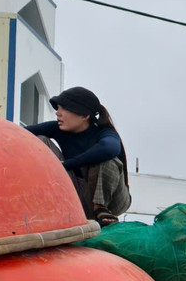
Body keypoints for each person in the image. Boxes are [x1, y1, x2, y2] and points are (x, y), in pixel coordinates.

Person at [24, 87, 131, 224]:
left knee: (106, 159)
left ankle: (100, 207)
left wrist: (66, 165)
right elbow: (19, 132)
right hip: (80, 196)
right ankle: (47, 201)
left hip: (113, 201)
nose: (58, 113)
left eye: (63, 109)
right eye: (58, 108)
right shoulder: (57, 128)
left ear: (85, 115)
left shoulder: (104, 134)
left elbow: (109, 149)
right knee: (39, 140)